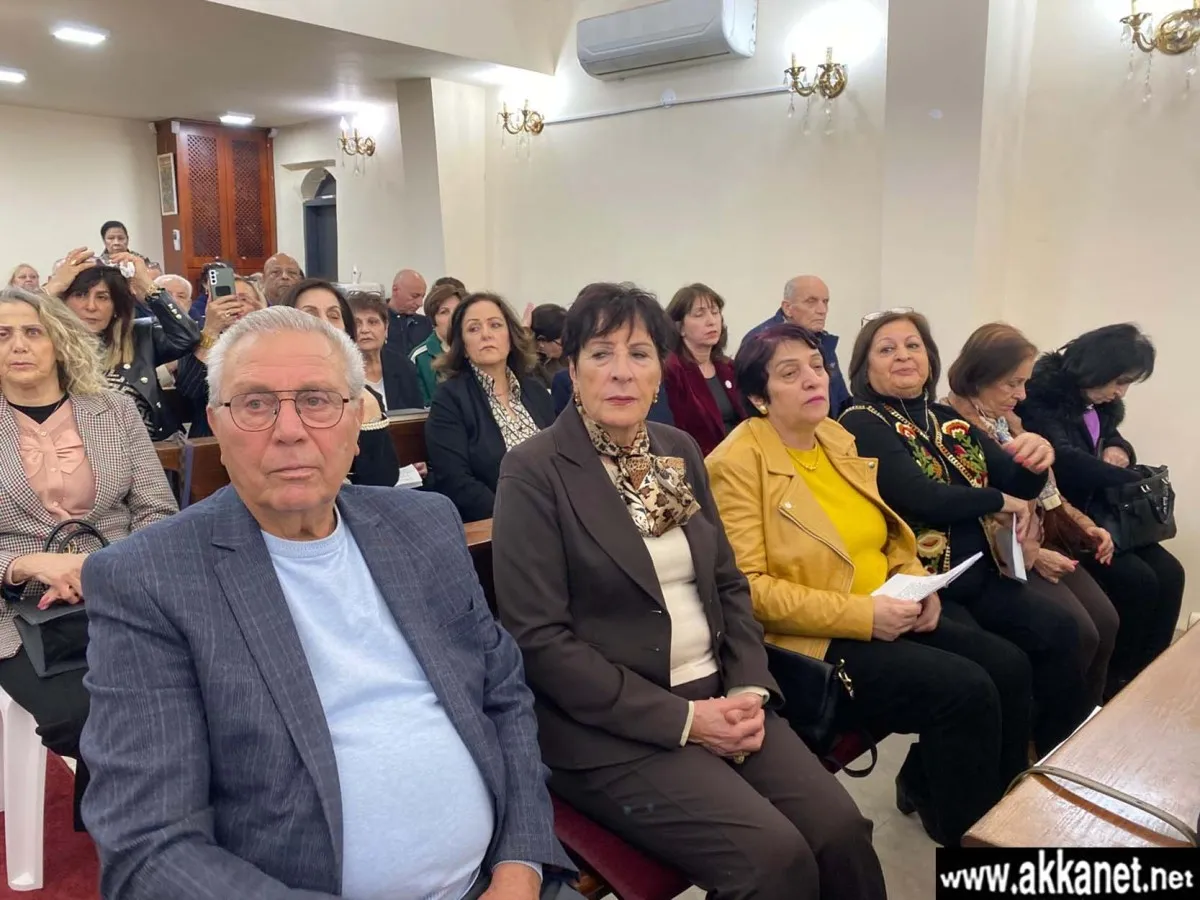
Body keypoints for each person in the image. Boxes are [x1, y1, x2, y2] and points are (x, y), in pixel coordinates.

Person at [79, 306, 579, 900]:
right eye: (255, 403)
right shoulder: (150, 579)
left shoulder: (423, 525)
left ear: (356, 417)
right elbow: (149, 846)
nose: (289, 430)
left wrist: (522, 862)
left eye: (317, 400)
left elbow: (504, 697)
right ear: (216, 424)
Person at [493, 283, 885, 900]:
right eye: (601, 354)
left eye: (640, 354)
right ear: (571, 368)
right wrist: (686, 720)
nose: (621, 372)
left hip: (722, 693)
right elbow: (539, 640)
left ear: (660, 372)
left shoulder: (674, 451)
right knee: (772, 860)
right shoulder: (535, 471)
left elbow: (727, 582)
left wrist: (749, 686)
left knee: (842, 832)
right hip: (614, 724)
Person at [707, 324, 1032, 845]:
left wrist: (918, 583)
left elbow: (889, 533)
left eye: (817, 366)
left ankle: (1002, 817)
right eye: (789, 373)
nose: (813, 379)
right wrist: (864, 616)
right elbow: (749, 590)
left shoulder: (834, 437)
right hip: (815, 639)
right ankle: (971, 839)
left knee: (1009, 665)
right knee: (965, 691)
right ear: (758, 398)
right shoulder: (735, 464)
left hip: (886, 604)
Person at [838, 310, 1089, 755]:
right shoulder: (861, 420)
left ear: (930, 358)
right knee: (1000, 668)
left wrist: (1038, 458)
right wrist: (997, 500)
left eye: (913, 345)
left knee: (1065, 633)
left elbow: (1015, 480)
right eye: (887, 349)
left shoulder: (944, 418)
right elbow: (919, 496)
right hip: (926, 583)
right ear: (864, 367)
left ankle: (1051, 755)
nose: (903, 356)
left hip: (980, 573)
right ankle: (976, 780)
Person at [0, 286, 177, 828]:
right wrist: (25, 564)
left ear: (59, 341)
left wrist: (101, 569)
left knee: (180, 693)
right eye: (2, 335)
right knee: (83, 711)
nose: (18, 345)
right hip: (14, 612)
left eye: (32, 332)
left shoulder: (114, 410)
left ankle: (137, 823)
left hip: (121, 593)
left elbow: (158, 510)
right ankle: (138, 830)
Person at [945, 323, 1120, 709]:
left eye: (1024, 383)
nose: (1022, 395)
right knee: (1080, 632)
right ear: (979, 375)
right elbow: (977, 513)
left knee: (1107, 620)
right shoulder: (953, 427)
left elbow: (1049, 495)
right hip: (1002, 557)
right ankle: (1049, 731)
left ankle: (1086, 720)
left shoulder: (1009, 421)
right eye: (1012, 384)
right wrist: (1036, 554)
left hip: (1036, 540)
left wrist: (1087, 526)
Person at [1018, 324, 1184, 693]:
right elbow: (1065, 460)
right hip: (1067, 519)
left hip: (1103, 511)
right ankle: (1118, 682)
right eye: (1120, 381)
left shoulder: (1097, 402)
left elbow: (1107, 434)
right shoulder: (1042, 398)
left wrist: (1119, 448)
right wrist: (1128, 479)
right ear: (1097, 366)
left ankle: (1150, 673)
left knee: (1171, 574)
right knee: (1138, 582)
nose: (1120, 392)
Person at [47, 248, 200, 441]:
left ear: (115, 307)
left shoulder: (138, 335)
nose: (91, 306)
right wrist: (52, 288)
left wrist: (148, 286)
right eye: (80, 295)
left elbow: (188, 336)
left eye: (102, 297)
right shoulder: (46, 343)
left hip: (149, 447)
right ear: (64, 302)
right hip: (72, 450)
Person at [426, 292, 554, 522]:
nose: (486, 334)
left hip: (554, 511)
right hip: (501, 522)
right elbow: (456, 481)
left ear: (510, 337)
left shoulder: (535, 391)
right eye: (474, 329)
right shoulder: (449, 399)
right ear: (463, 346)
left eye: (495, 325)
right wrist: (516, 517)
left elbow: (562, 457)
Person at [281, 279, 400, 487]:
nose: (324, 323)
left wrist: (370, 423)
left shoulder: (364, 396)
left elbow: (383, 481)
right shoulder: (272, 391)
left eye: (334, 315)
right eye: (310, 314)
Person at [174, 275, 266, 438]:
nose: (235, 305)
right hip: (212, 437)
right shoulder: (197, 339)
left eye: (243, 299)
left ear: (259, 305)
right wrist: (211, 329)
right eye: (227, 299)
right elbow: (189, 391)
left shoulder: (273, 340)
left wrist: (265, 324)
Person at [743, 275, 849, 415]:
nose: (822, 310)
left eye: (825, 302)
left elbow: (840, 398)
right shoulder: (761, 342)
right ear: (787, 308)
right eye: (811, 301)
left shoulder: (821, 339)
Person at [664, 283, 746, 455]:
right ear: (680, 327)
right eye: (699, 315)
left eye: (715, 312)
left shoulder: (728, 367)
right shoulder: (671, 371)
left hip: (739, 458)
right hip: (698, 461)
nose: (711, 321)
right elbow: (671, 434)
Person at [347, 290, 424, 412]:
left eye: (373, 322)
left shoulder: (404, 367)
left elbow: (416, 416)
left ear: (386, 327)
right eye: (357, 324)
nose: (365, 330)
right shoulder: (341, 372)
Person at [409, 282, 464, 406]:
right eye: (444, 312)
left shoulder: (473, 352)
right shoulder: (419, 357)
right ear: (433, 319)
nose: (453, 317)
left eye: (458, 311)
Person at [387, 267, 434, 357]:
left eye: (422, 297)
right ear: (395, 290)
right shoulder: (378, 322)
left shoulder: (426, 324)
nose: (420, 303)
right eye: (414, 296)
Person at [530, 304, 568, 388]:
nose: (567, 346)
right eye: (562, 343)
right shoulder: (530, 368)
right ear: (541, 341)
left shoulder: (565, 357)